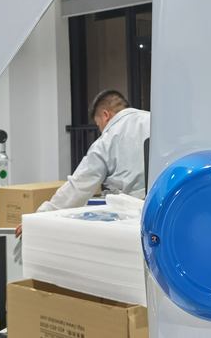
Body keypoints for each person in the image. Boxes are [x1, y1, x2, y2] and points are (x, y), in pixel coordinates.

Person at [15, 90, 150, 236]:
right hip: (165, 210)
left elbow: (78, 186)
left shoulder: (107, 140)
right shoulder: (154, 120)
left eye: (99, 125)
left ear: (106, 115)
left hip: (133, 221)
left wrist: (39, 218)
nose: (101, 130)